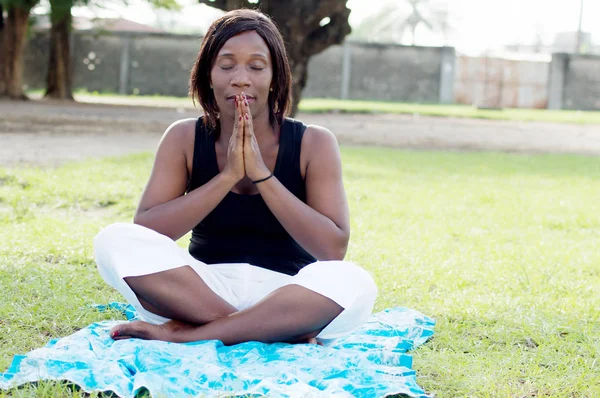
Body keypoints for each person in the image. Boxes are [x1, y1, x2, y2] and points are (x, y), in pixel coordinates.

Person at [93, 8, 377, 346]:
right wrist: (227, 176)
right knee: (113, 239)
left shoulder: (314, 142)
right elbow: (148, 231)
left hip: (289, 293)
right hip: (199, 293)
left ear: (275, 77)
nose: (240, 78)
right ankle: (266, 330)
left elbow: (332, 249)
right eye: (226, 65)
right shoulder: (183, 137)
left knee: (353, 281)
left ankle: (188, 334)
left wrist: (261, 174)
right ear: (208, 75)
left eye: (256, 67)